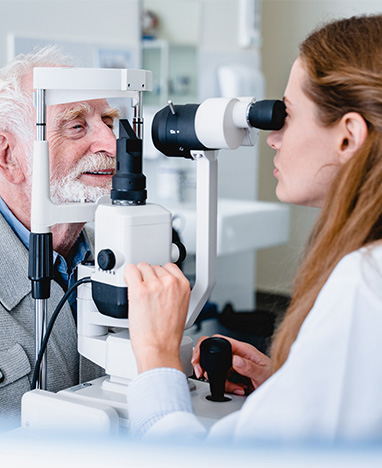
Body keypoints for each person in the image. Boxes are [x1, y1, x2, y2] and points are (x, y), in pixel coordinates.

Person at [124, 14, 382, 443]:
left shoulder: (362, 284)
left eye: (288, 113)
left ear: (348, 136)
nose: (273, 136)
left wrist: (156, 359)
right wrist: (290, 384)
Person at [0, 45, 119, 431]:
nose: (111, 145)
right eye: (76, 126)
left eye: (109, 122)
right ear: (8, 157)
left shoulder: (122, 251)